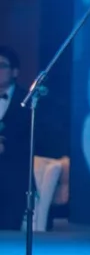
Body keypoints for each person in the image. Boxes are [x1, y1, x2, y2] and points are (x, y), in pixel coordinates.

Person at [0, 46, 31, 231]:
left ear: (15, 72)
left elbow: (36, 139)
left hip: (14, 176)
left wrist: (6, 147)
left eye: (2, 66)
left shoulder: (28, 101)